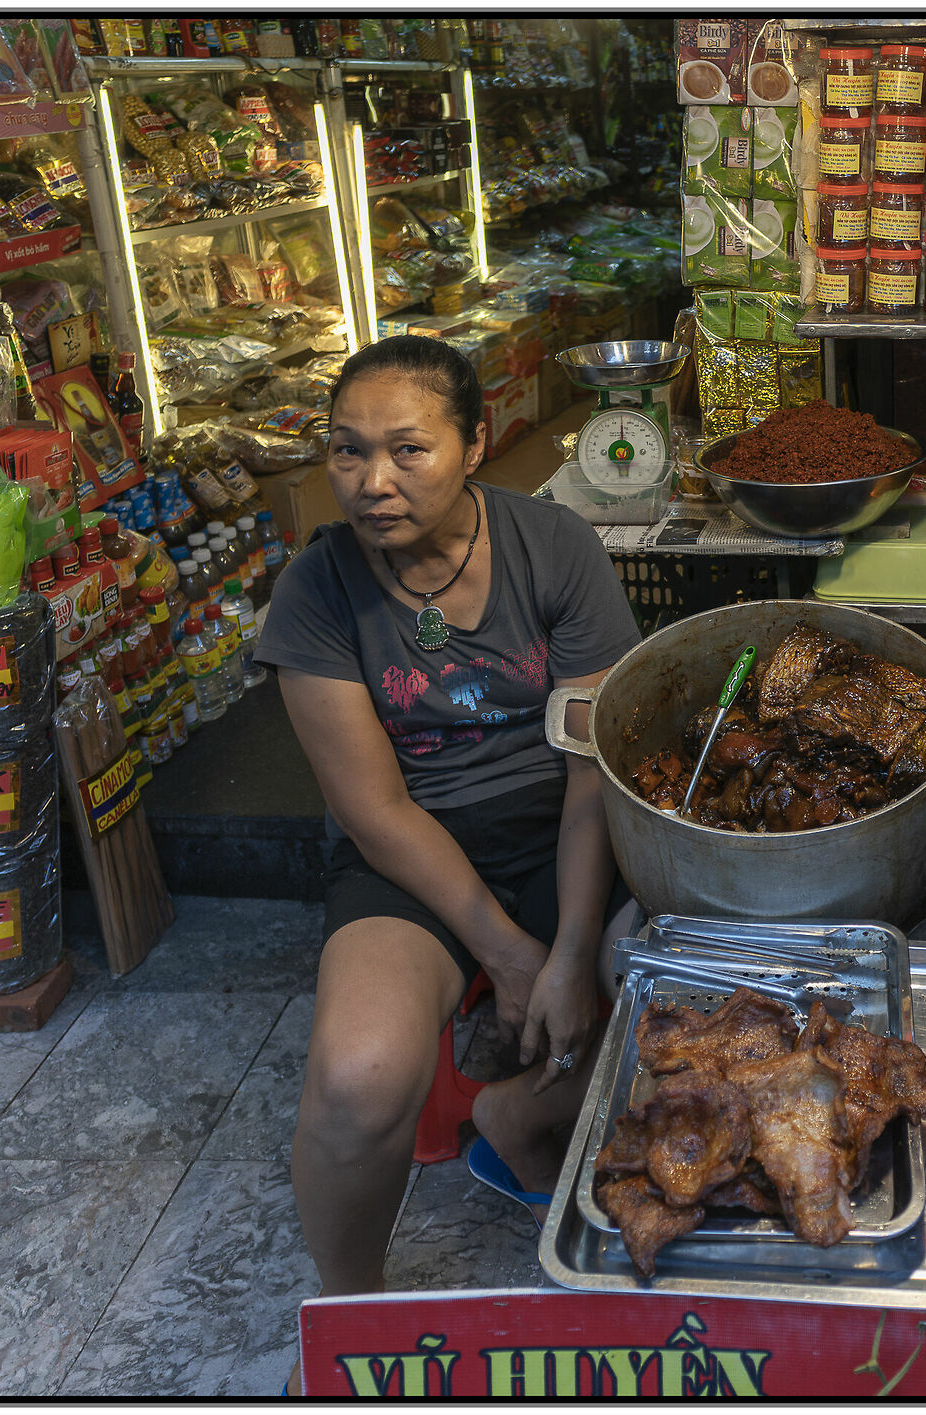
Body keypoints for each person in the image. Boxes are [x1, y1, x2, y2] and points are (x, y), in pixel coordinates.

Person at [253, 335, 641, 1393]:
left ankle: (515, 1115)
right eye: (347, 452)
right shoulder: (317, 592)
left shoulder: (553, 546)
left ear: (476, 443)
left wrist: (566, 948)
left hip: (569, 820)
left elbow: (593, 770)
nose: (373, 481)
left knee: (664, 983)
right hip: (414, 856)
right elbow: (374, 811)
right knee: (356, 1077)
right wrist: (513, 955)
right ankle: (349, 1320)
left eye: (408, 449)